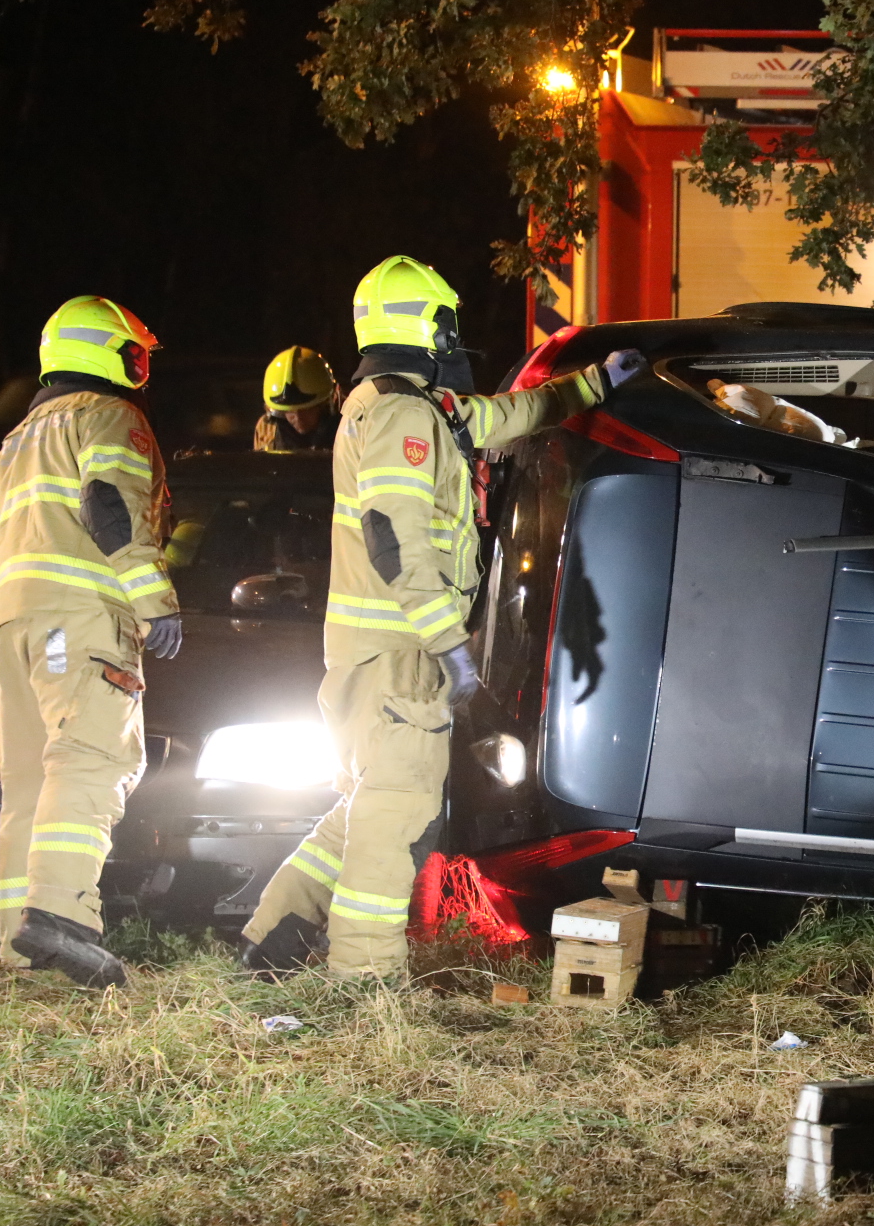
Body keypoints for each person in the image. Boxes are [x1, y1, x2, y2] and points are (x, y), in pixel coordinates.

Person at [238, 256, 642, 981]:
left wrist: (594, 384)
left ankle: (273, 935)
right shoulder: (400, 414)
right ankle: (365, 976)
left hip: (384, 652)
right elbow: (392, 537)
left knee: (365, 807)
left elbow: (506, 416)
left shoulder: (418, 408)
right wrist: (448, 642)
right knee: (396, 811)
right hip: (399, 652)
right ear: (431, 325)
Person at [0, 296, 183, 988]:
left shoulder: (19, 438)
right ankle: (61, 918)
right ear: (111, 354)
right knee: (91, 759)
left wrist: (14, 613)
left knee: (29, 780)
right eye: (136, 356)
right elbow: (109, 506)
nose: (140, 370)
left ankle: (23, 949)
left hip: (13, 624)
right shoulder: (109, 416)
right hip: (82, 618)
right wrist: (154, 602)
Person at [253, 346, 339, 450]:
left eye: (306, 409)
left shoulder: (347, 428)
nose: (298, 418)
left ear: (324, 404)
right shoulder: (267, 430)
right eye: (290, 411)